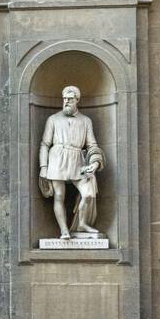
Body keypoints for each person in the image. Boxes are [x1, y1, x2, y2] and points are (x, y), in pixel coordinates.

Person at [39, 85, 105, 240]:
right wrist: (43, 167)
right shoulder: (53, 119)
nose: (66, 102)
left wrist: (94, 164)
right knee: (59, 195)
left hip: (77, 160)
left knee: (88, 194)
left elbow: (92, 145)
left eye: (69, 99)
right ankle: (64, 231)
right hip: (57, 158)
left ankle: (82, 224)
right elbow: (44, 144)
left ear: (77, 100)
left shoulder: (86, 121)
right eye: (64, 99)